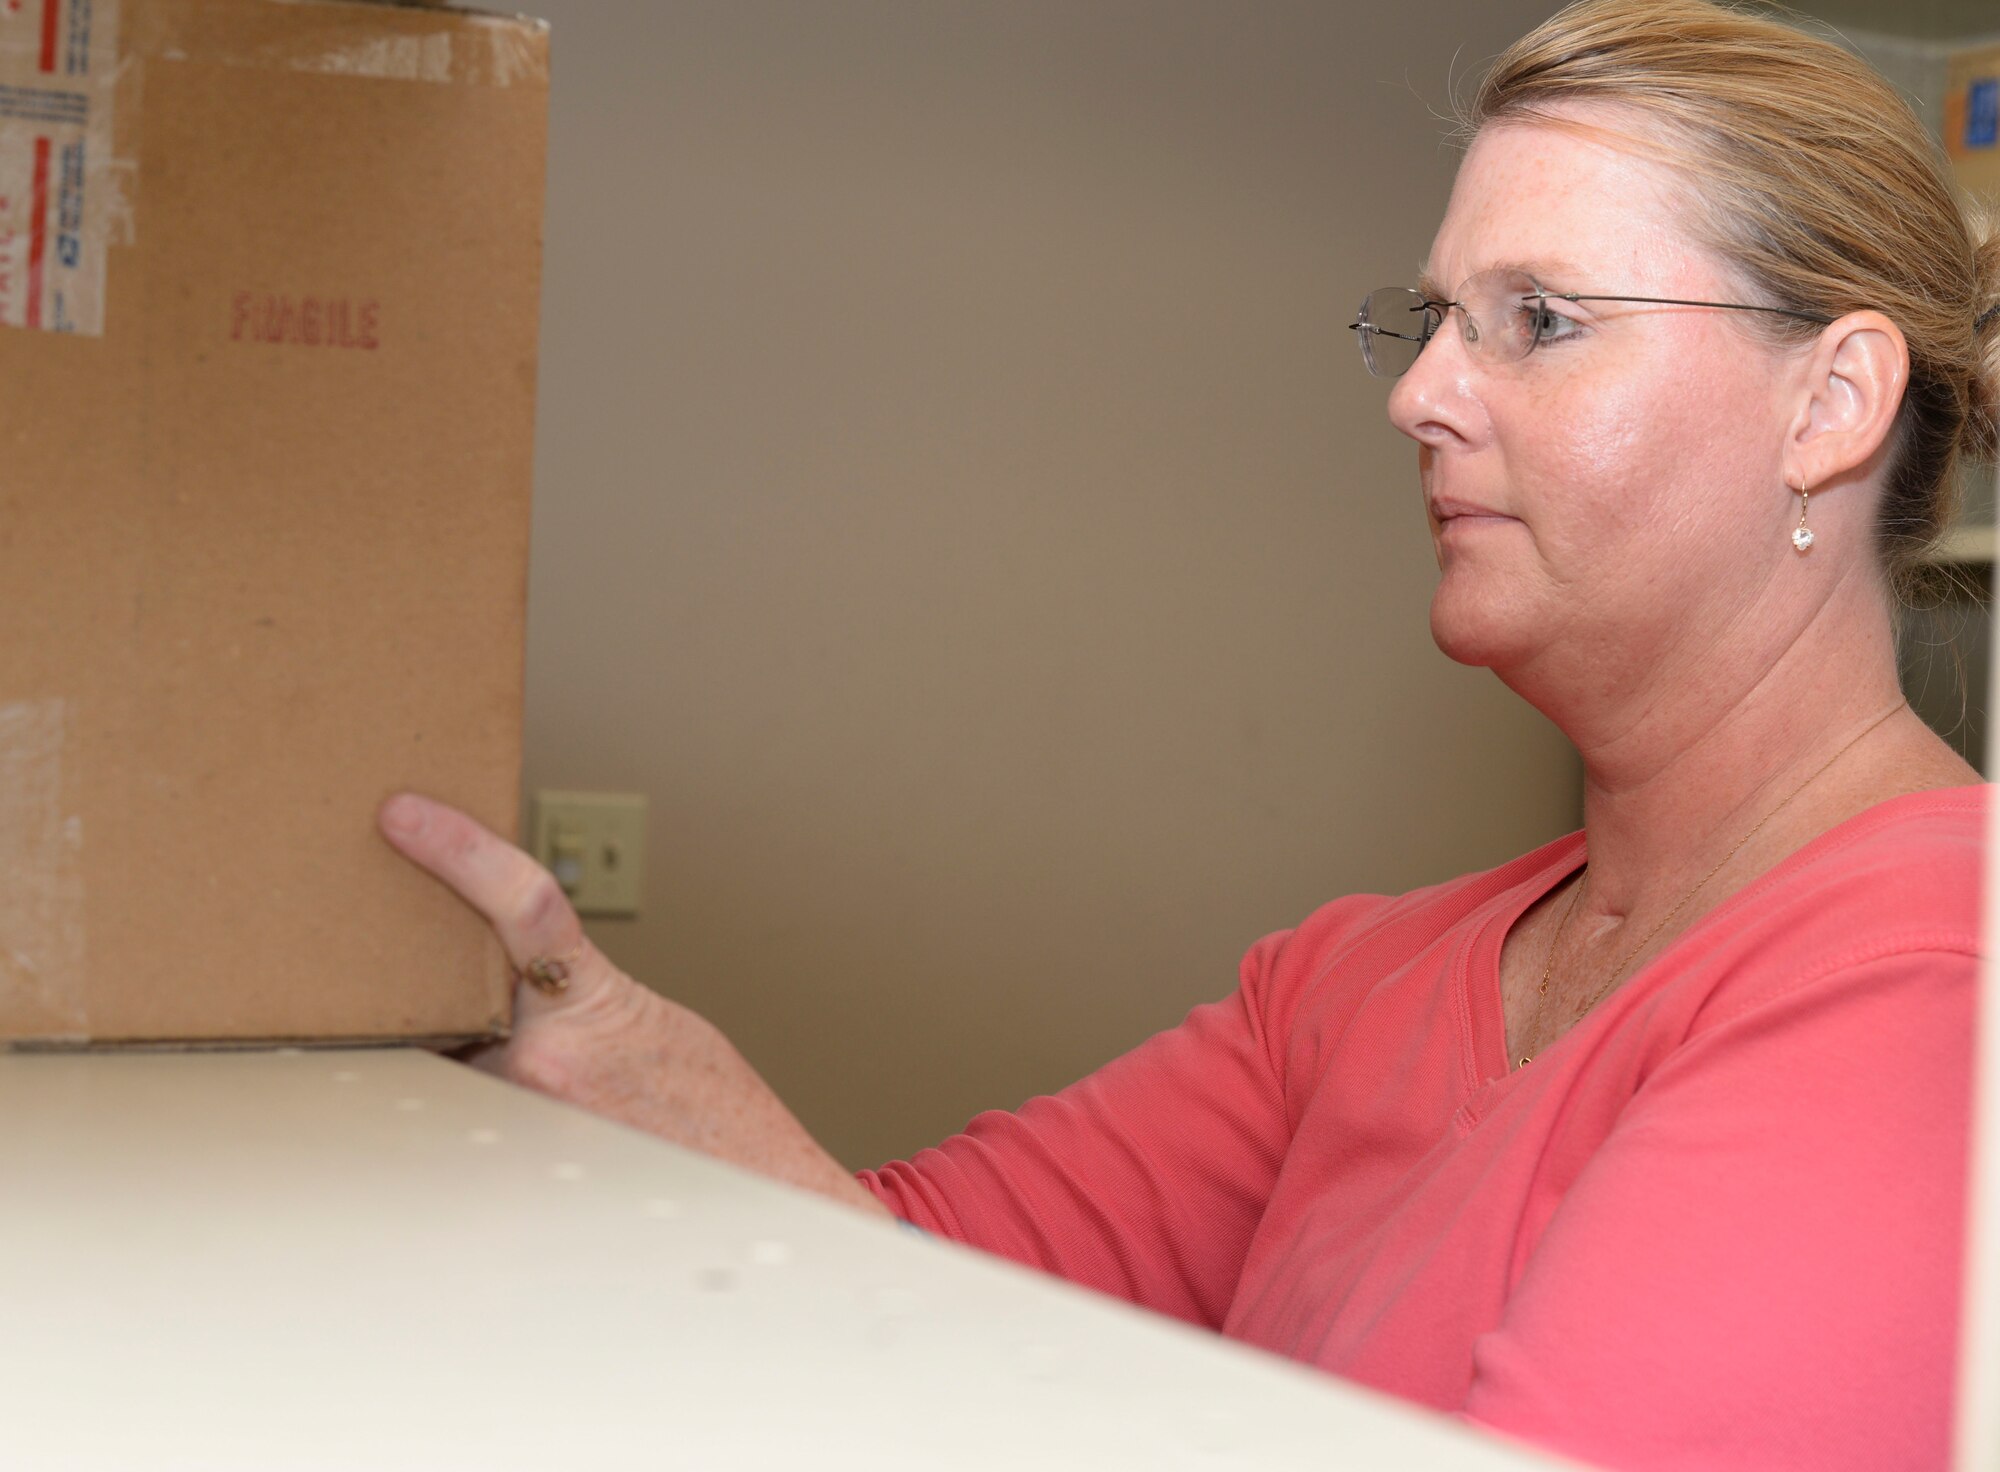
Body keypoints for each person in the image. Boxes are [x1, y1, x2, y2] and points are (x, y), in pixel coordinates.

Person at [375, 1, 1999, 1467]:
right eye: (1433, 319)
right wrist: (666, 1089)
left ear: (1831, 404)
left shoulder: (1934, 977)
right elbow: (909, 1280)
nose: (1422, 393)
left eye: (1541, 319)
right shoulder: (1351, 988)